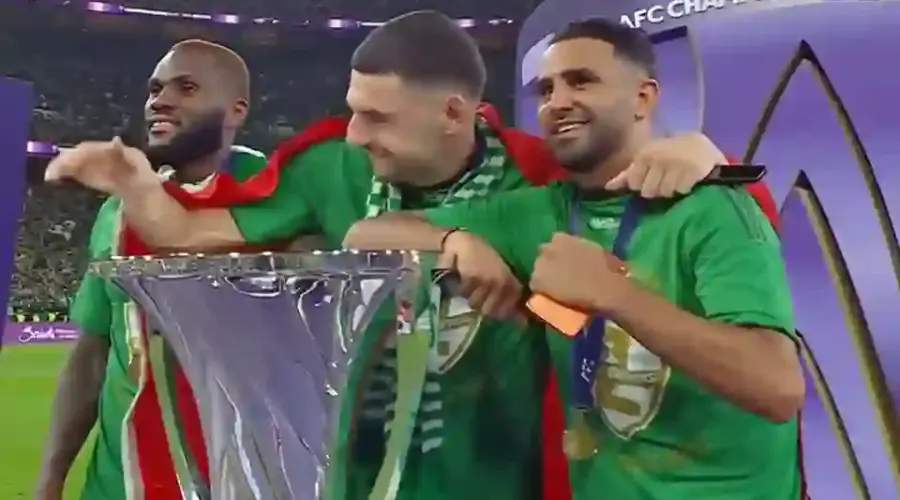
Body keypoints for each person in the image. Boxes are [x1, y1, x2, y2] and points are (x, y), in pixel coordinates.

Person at [45, 11, 775, 500]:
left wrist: (699, 153)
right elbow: (190, 233)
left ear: (453, 113)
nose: (354, 133)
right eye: (353, 111)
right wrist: (136, 185)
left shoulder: (534, 182)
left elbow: (626, 199)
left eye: (376, 116)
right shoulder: (332, 169)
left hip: (493, 477)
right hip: (362, 476)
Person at [342, 18, 803, 499]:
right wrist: (455, 240)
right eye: (546, 90)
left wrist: (613, 294)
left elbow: (777, 387)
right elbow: (362, 236)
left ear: (643, 98)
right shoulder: (540, 213)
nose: (557, 102)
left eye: (582, 81)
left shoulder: (712, 209)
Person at [36, 39, 268, 500]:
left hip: (241, 485)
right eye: (155, 89)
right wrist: (52, 476)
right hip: (117, 487)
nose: (160, 100)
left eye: (186, 88)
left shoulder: (280, 197)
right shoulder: (118, 212)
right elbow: (93, 353)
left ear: (236, 110)